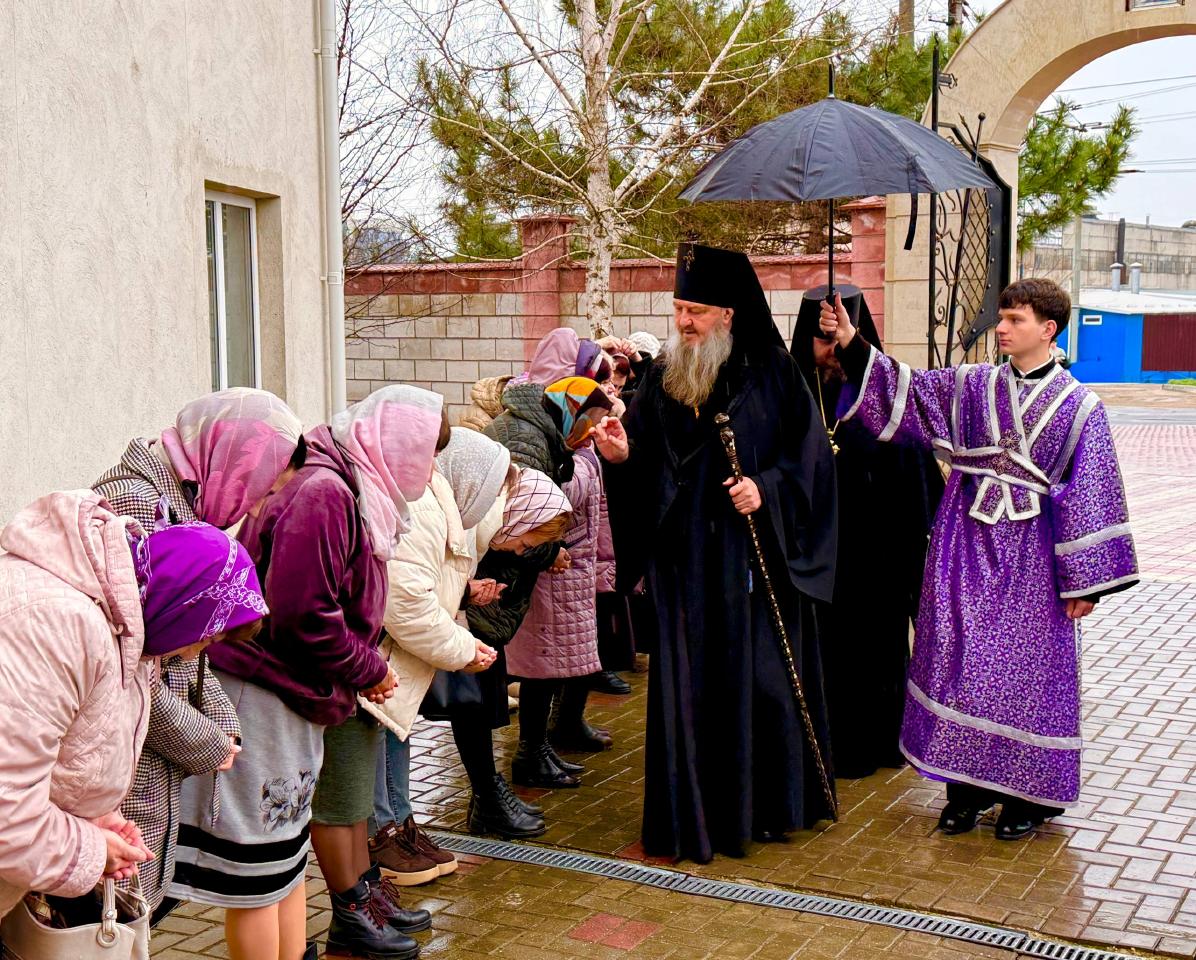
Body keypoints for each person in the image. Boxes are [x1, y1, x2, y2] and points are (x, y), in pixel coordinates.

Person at [819, 277, 1139, 840]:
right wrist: (850, 341)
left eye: (1016, 320)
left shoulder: (1081, 408)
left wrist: (1083, 582)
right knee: (960, 665)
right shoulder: (970, 385)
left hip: (1034, 559)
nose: (1003, 328)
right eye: (1002, 317)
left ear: (1049, 329)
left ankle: (1027, 798)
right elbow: (906, 389)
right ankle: (966, 791)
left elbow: (1093, 492)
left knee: (1026, 677)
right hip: (963, 547)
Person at [170, 386, 448, 960]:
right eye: (426, 458)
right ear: (396, 448)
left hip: (293, 688)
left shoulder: (347, 484)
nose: (428, 475)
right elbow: (301, 614)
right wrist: (368, 667)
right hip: (267, 687)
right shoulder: (325, 492)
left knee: (285, 851)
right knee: (259, 864)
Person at [594, 242, 838, 864]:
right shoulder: (661, 378)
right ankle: (693, 814)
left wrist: (766, 489)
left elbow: (811, 466)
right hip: (685, 565)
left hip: (751, 563)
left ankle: (763, 811)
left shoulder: (775, 374)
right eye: (679, 308)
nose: (683, 321)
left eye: (696, 311)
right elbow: (645, 463)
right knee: (688, 690)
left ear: (728, 313)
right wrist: (621, 456)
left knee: (759, 685)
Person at [0, 493, 266, 921]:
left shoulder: (128, 623)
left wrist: (95, 818)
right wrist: (91, 849)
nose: (195, 652)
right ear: (185, 605)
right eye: (208, 636)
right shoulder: (58, 627)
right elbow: (6, 810)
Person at [92, 387, 303, 914]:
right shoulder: (137, 503)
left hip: (148, 752)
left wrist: (223, 722)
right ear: (237, 460)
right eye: (261, 489)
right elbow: (129, 668)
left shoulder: (180, 500)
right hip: (126, 765)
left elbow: (185, 649)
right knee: (113, 915)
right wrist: (205, 739)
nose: (255, 507)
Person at [790, 287, 944, 778]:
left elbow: (916, 468)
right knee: (825, 651)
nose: (832, 351)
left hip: (879, 552)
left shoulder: (885, 395)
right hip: (816, 554)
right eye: (823, 341)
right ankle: (826, 746)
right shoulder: (790, 395)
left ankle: (882, 741)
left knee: (878, 648)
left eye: (840, 340)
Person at [360, 427, 511, 885]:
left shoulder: (432, 496)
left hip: (384, 649)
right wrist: (462, 648)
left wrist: (461, 594)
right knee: (378, 735)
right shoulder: (422, 505)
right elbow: (406, 600)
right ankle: (382, 834)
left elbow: (422, 582)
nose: (431, 470)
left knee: (395, 731)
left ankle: (399, 822)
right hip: (374, 649)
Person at [505, 378, 614, 787]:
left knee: (560, 665)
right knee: (542, 668)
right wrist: (585, 457)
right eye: (590, 418)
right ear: (571, 411)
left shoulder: (565, 445)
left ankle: (547, 743)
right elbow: (560, 497)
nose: (592, 428)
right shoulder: (550, 446)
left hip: (569, 570)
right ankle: (531, 752)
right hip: (550, 571)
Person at [456, 468, 572, 838]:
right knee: (471, 704)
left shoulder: (497, 517)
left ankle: (487, 794)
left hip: (483, 615)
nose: (523, 550)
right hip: (475, 618)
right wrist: (464, 594)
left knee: (480, 703)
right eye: (526, 543)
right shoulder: (486, 520)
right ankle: (486, 796)